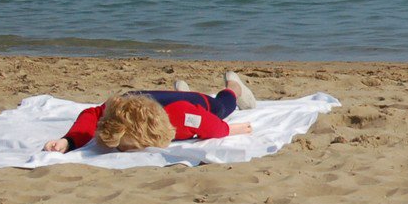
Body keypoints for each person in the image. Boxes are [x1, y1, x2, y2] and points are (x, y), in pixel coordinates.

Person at [42, 73, 258, 153]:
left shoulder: (179, 118)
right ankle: (182, 91)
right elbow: (90, 114)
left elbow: (208, 124)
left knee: (222, 107)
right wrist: (68, 141)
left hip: (193, 104)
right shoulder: (118, 110)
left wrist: (231, 129)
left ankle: (233, 84)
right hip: (139, 97)